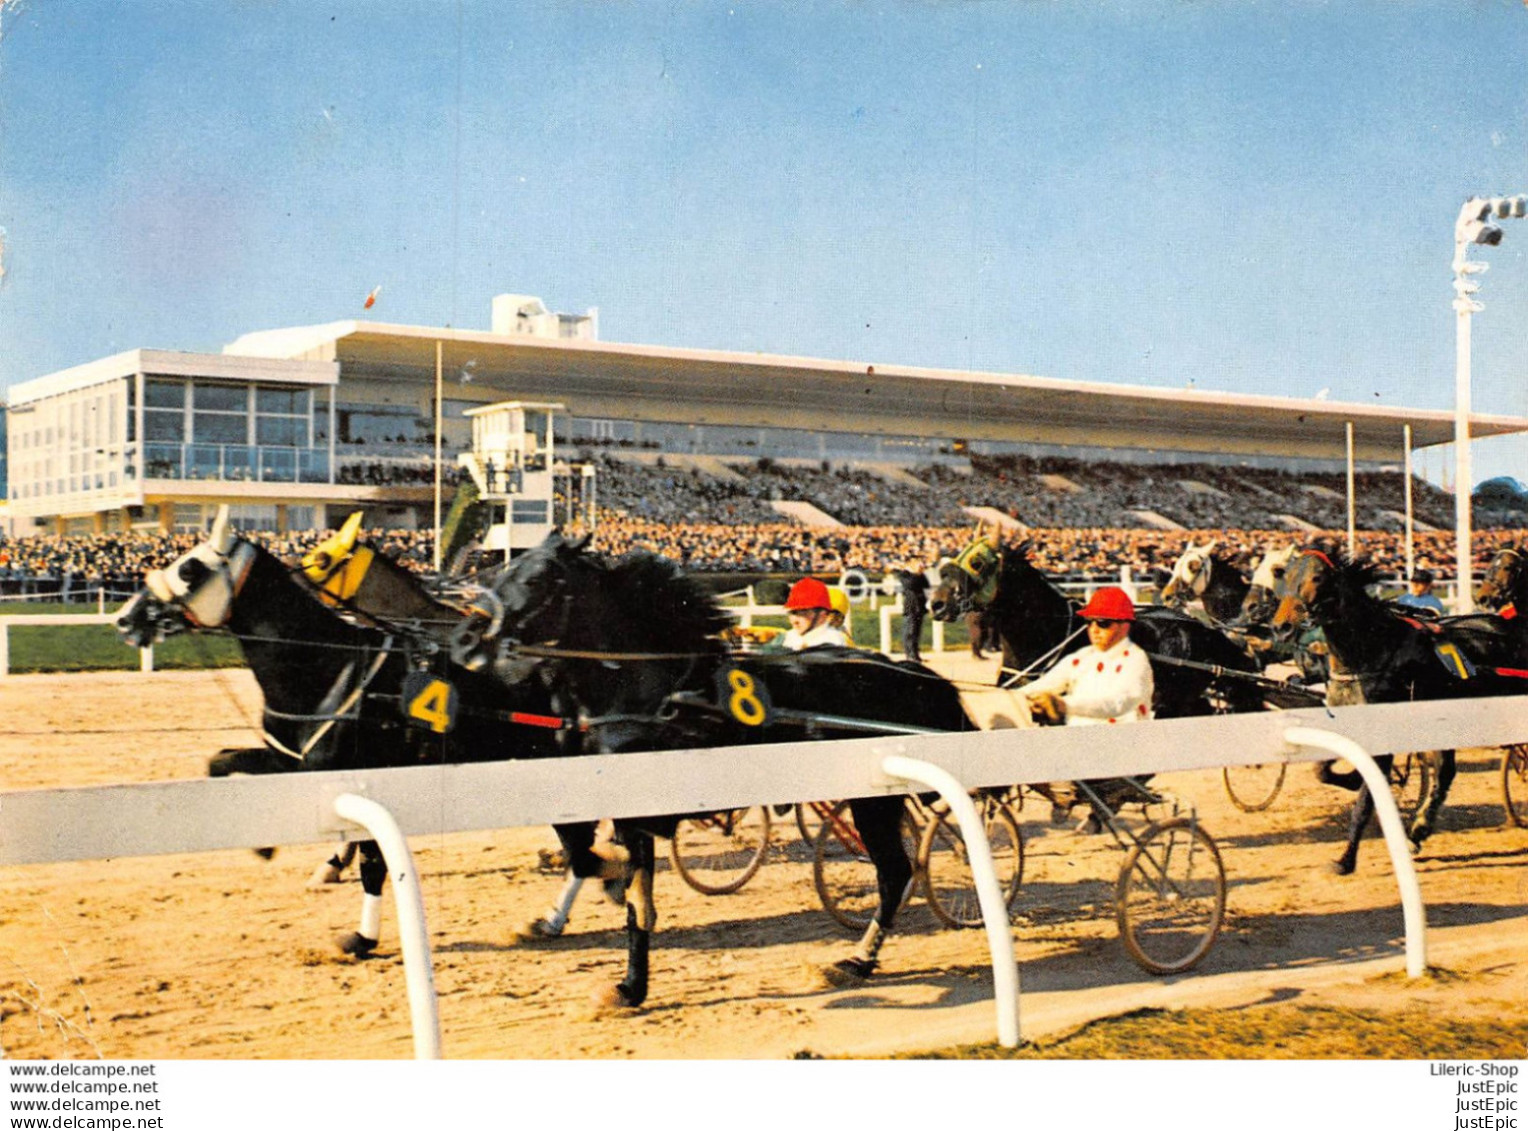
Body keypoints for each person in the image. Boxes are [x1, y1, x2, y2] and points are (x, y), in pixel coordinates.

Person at [1022, 586, 1155, 832]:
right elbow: (1045, 684)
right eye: (1090, 622)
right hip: (1081, 743)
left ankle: (1068, 794)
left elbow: (1117, 704)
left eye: (1103, 623)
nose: (1094, 629)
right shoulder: (1082, 657)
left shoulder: (1136, 661)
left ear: (1124, 626)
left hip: (1121, 748)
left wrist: (1065, 704)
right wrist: (1007, 698)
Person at [776, 577, 849, 651]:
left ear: (822, 615)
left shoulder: (833, 640)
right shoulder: (790, 637)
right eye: (793, 613)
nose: (794, 621)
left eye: (803, 613)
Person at [895, 567, 930, 661]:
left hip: (920, 605)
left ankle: (916, 654)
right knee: (910, 631)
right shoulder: (904, 574)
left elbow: (927, 585)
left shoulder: (920, 576)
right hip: (911, 606)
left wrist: (921, 574)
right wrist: (916, 574)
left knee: (917, 632)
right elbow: (910, 584)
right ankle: (910, 654)